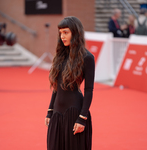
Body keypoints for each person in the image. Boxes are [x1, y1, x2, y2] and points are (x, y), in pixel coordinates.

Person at [45, 16, 95, 150]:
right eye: (60, 33)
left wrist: (82, 118)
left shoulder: (87, 57)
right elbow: (56, 87)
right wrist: (50, 111)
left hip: (74, 113)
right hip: (57, 113)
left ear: (75, 32)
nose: (62, 36)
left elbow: (89, 90)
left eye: (66, 32)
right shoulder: (60, 56)